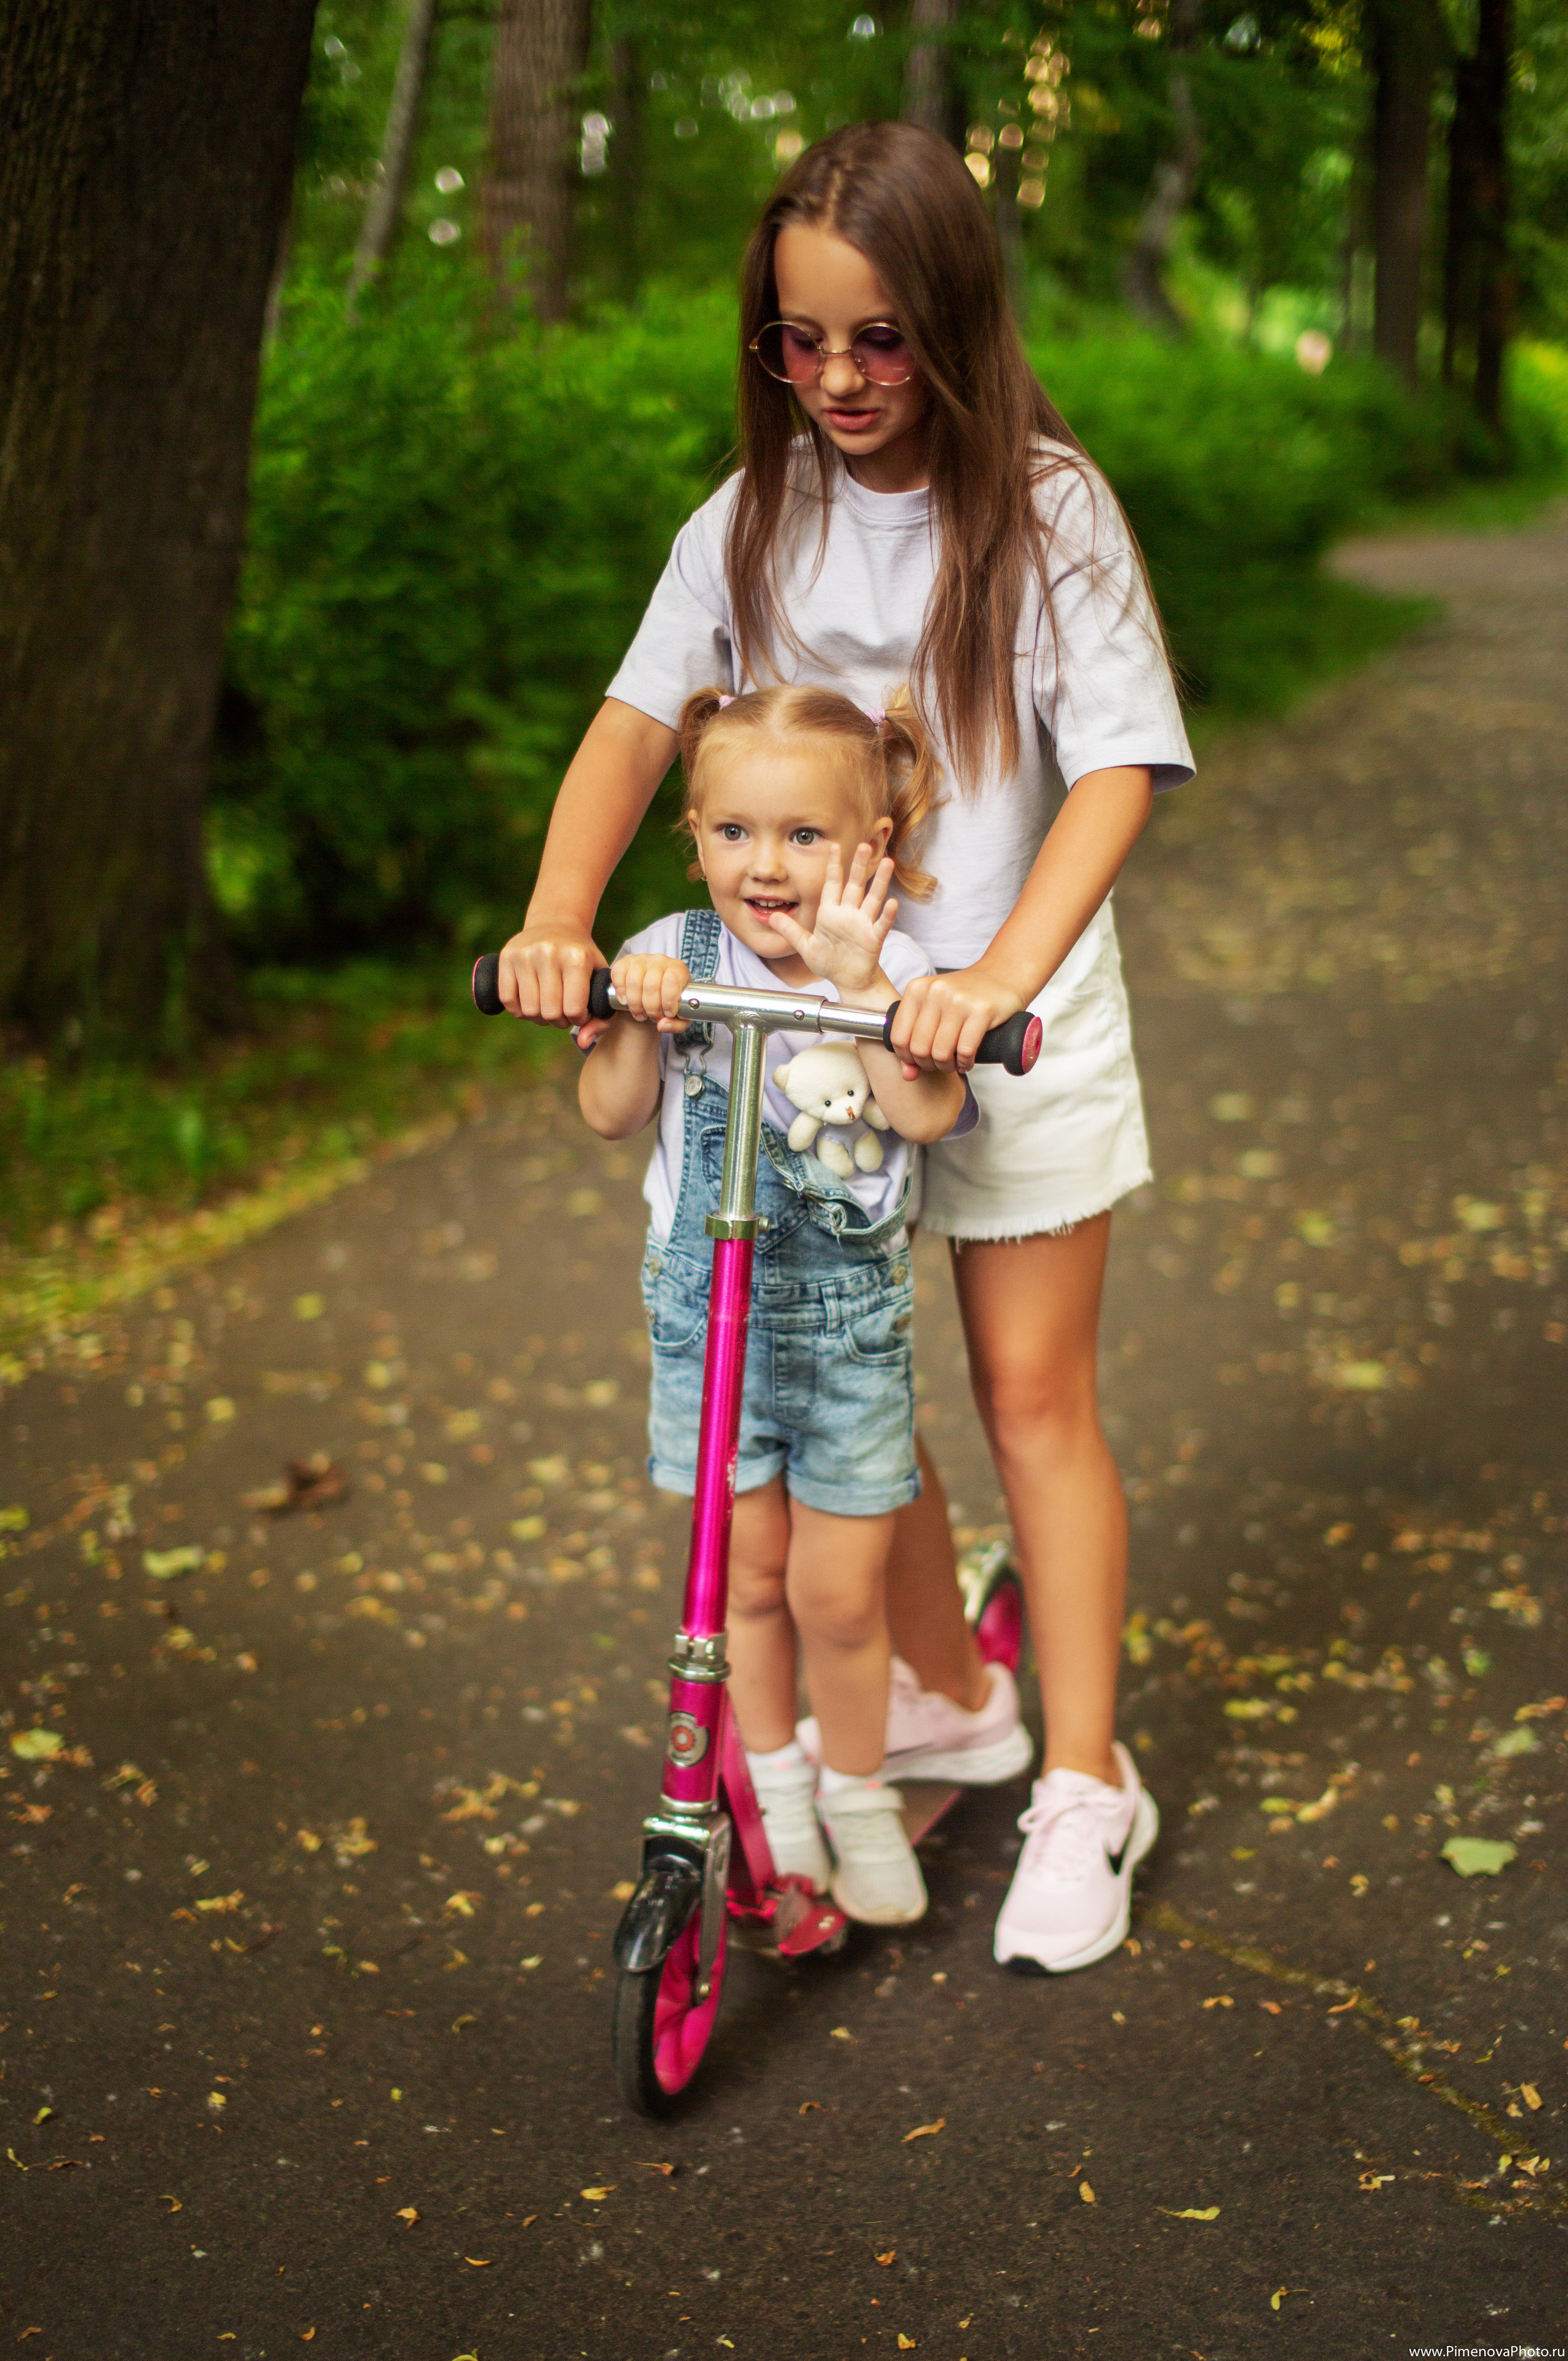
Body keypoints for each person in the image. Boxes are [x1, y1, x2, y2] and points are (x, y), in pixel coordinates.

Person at [498, 121, 1194, 1974]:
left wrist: (991, 979)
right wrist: (562, 914)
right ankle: (949, 1700)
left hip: (1003, 1017)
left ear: (950, 320)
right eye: (797, 342)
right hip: (799, 1032)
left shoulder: (1044, 510)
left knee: (1030, 1394)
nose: (837, 379)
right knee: (830, 1369)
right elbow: (636, 725)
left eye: (877, 339)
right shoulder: (749, 518)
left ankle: (1084, 1782)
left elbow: (1115, 768)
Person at [576, 683, 975, 1928]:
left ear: (871, 847)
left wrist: (864, 991)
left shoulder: (896, 966)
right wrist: (631, 1014)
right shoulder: (671, 949)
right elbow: (610, 1114)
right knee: (743, 1582)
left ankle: (858, 1795)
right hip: (708, 1317)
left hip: (846, 1327)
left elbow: (927, 1114)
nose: (766, 865)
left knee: (838, 1596)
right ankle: (779, 1797)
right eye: (735, 831)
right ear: (692, 834)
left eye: (805, 836)